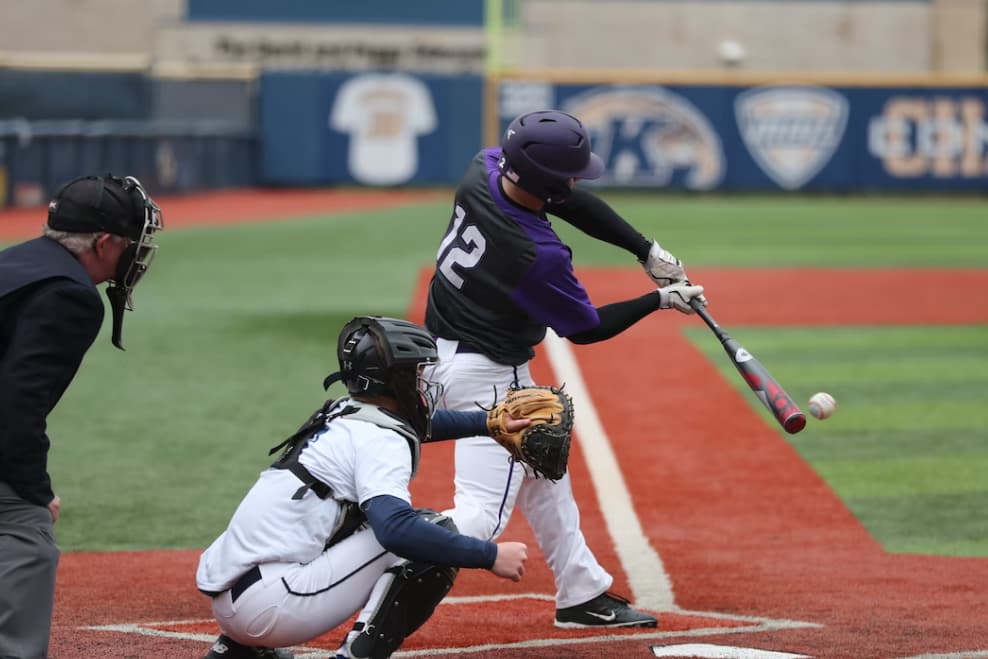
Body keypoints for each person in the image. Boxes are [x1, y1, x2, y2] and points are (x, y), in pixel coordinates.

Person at [423, 109, 707, 628]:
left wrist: (644, 249)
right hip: (490, 376)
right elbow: (586, 328)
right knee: (479, 517)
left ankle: (581, 591)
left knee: (544, 470)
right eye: (570, 173)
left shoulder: (482, 169)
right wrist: (660, 300)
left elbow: (564, 196)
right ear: (546, 183)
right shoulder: (537, 254)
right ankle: (372, 549)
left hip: (440, 353)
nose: (577, 180)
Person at [196, 316, 530, 659]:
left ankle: (237, 650)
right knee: (428, 531)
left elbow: (417, 426)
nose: (424, 381)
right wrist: (489, 556)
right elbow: (396, 530)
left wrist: (489, 422)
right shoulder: (381, 441)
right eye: (416, 373)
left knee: (359, 517)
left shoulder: (345, 411)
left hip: (235, 596)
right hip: (271, 609)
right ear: (394, 380)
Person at [0, 174, 165, 658]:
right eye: (133, 241)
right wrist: (34, 488)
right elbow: (16, 404)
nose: (137, 252)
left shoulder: (18, 260)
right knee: (27, 537)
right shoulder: (68, 293)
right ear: (106, 242)